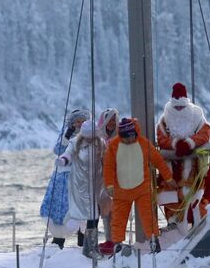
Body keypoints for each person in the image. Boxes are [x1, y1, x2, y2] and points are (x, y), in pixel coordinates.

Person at [99, 117, 175, 255]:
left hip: (142, 189)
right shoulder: (113, 145)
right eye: (126, 137)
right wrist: (109, 185)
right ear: (121, 135)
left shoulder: (144, 144)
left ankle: (154, 241)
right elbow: (108, 167)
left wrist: (168, 177)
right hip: (121, 191)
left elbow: (158, 160)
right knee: (118, 219)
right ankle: (117, 245)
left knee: (148, 217)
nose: (129, 139)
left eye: (132, 136)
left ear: (135, 133)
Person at [155, 82, 210, 227]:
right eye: (177, 107)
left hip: (196, 170)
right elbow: (161, 139)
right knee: (173, 207)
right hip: (172, 171)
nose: (179, 109)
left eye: (182, 106)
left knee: (198, 203)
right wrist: (175, 145)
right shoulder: (164, 120)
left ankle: (199, 229)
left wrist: (189, 143)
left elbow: (206, 132)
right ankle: (176, 231)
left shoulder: (197, 115)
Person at [40, 108, 91, 249]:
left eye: (82, 121)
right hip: (62, 178)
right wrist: (67, 135)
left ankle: (83, 242)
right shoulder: (65, 135)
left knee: (81, 210)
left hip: (81, 178)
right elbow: (58, 151)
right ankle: (58, 240)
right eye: (77, 122)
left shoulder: (90, 136)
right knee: (61, 209)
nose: (79, 124)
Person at [59, 119, 104, 254]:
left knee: (95, 213)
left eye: (92, 137)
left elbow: (107, 159)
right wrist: (62, 160)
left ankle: (90, 244)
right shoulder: (75, 143)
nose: (90, 140)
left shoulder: (100, 144)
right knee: (83, 212)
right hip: (80, 183)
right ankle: (84, 245)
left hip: (96, 183)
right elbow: (68, 154)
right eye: (88, 138)